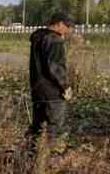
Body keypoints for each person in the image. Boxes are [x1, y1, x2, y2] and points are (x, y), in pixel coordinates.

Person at [27, 12, 74, 144]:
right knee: (53, 127)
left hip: (37, 90)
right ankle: (46, 158)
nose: (69, 30)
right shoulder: (55, 40)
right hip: (52, 93)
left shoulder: (39, 37)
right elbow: (55, 67)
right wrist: (65, 86)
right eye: (67, 26)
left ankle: (29, 155)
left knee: (37, 127)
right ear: (59, 24)